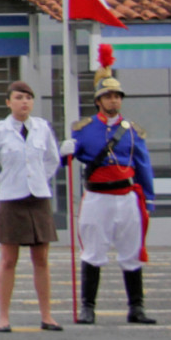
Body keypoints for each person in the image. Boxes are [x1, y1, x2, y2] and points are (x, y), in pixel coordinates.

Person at [63, 68, 156, 325]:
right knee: (93, 251)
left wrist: (148, 198)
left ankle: (136, 308)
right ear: (98, 101)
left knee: (131, 251)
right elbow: (69, 160)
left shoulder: (133, 130)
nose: (114, 100)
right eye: (108, 96)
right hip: (97, 198)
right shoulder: (83, 129)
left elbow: (143, 165)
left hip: (126, 197)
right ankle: (88, 307)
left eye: (117, 96)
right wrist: (65, 152)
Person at [0, 81, 62, 332]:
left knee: (41, 259)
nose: (24, 102)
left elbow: (51, 160)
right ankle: (4, 317)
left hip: (38, 198)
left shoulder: (42, 128)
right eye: (19, 97)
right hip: (11, 199)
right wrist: (3, 183)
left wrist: (36, 178)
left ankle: (47, 316)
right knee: (8, 260)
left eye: (28, 97)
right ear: (8, 102)